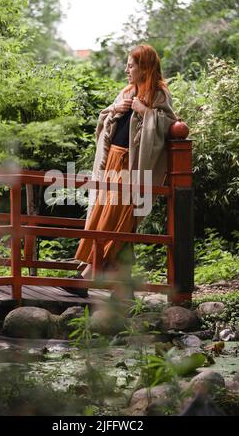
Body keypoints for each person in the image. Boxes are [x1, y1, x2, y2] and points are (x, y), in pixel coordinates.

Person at [63, 44, 177, 298]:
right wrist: (116, 110)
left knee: (118, 219)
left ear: (144, 67)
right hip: (112, 161)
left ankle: (88, 276)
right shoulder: (126, 91)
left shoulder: (159, 94)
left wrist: (145, 112)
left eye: (131, 65)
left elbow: (170, 124)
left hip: (132, 166)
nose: (126, 69)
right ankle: (121, 285)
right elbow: (105, 119)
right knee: (102, 214)